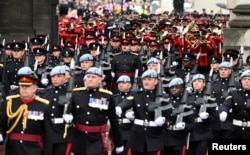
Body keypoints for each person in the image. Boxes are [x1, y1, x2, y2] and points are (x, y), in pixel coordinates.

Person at [70, 67, 123, 155]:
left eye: (93, 77)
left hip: (97, 139)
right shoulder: (76, 94)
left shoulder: (107, 96)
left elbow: (114, 121)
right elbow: (71, 114)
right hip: (79, 138)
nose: (90, 79)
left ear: (100, 80)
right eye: (88, 77)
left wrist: (119, 143)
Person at [0, 66, 52, 155]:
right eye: (22, 86)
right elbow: (3, 125)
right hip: (13, 149)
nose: (24, 88)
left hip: (33, 150)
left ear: (35, 88)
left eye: (27, 86)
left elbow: (48, 135)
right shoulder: (10, 103)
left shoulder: (43, 106)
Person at [115, 69, 167, 155]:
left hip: (154, 136)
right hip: (137, 137)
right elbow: (127, 101)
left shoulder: (163, 97)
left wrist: (164, 122)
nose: (146, 82)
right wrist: (120, 107)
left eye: (149, 79)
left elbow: (169, 117)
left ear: (156, 81)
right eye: (144, 79)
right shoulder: (136, 94)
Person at [42, 66, 73, 155]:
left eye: (59, 76)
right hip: (47, 133)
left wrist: (71, 119)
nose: (55, 79)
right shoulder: (46, 93)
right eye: (53, 76)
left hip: (63, 133)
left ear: (64, 77)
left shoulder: (70, 93)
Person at [186, 74, 217, 155]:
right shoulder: (187, 96)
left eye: (199, 81)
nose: (196, 83)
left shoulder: (209, 97)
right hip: (190, 131)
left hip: (204, 132)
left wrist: (207, 117)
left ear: (204, 83)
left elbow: (214, 117)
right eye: (194, 81)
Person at [162, 77, 194, 155]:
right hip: (165, 137)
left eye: (177, 87)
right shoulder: (164, 101)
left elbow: (192, 123)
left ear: (182, 89)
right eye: (172, 87)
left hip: (179, 138)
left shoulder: (187, 103)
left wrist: (184, 126)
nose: (174, 89)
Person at [218, 70, 250, 139]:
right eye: (244, 79)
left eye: (249, 79)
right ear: (240, 81)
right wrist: (223, 111)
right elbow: (226, 104)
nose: (246, 81)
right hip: (235, 131)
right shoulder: (234, 94)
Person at [110, 75, 133, 155]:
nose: (120, 85)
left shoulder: (134, 97)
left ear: (130, 85)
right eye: (119, 83)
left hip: (128, 130)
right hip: (115, 131)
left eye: (123, 83)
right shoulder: (113, 97)